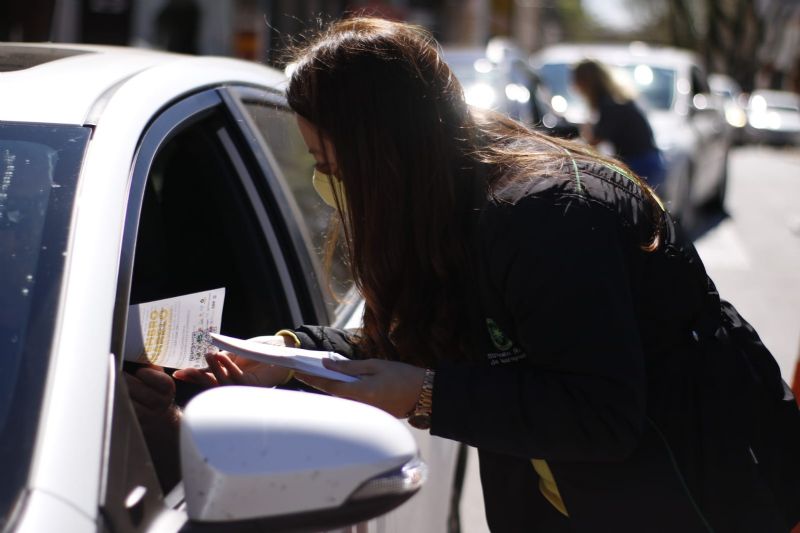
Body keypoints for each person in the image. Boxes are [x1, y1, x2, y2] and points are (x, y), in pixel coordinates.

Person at [131, 17, 800, 532]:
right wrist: (291, 354)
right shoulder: (451, 210)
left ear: (384, 155)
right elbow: (414, 337)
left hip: (697, 505)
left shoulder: (545, 217)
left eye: (330, 165)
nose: (325, 184)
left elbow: (600, 413)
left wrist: (424, 394)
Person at [571, 58, 667, 192]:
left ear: (586, 81)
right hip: (649, 161)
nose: (573, 86)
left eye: (576, 80)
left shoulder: (610, 105)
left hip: (640, 164)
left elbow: (592, 143)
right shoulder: (615, 99)